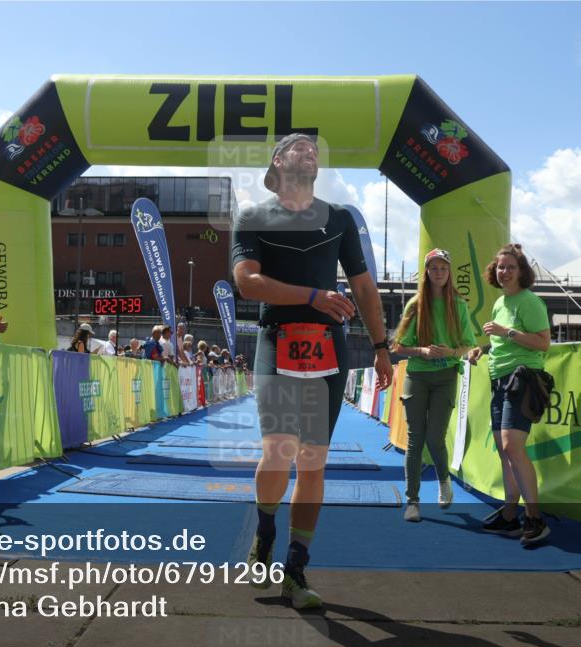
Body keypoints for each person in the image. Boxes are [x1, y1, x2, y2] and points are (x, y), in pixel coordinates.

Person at [232, 133, 392, 609]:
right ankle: (263, 532)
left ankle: (296, 569)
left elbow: (364, 287)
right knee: (279, 450)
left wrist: (381, 346)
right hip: (277, 339)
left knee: (313, 462)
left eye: (317, 150)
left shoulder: (339, 217)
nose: (311, 153)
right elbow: (246, 282)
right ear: (278, 161)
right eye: (300, 148)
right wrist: (310, 297)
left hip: (328, 348)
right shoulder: (253, 216)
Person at [468, 243, 552, 546]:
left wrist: (507, 333)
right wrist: (484, 348)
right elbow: (502, 341)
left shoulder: (529, 301)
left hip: (523, 380)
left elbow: (543, 343)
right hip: (499, 380)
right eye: (500, 267)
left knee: (512, 446)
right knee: (506, 451)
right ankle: (509, 514)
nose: (504, 272)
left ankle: (534, 518)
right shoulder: (501, 302)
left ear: (522, 272)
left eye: (510, 267)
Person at [391, 249, 477, 522]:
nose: (439, 273)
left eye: (443, 268)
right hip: (417, 376)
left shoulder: (459, 305)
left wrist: (451, 353)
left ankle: (444, 481)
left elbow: (468, 344)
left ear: (449, 272)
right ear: (426, 272)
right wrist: (422, 351)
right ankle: (412, 501)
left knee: (435, 437)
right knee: (415, 439)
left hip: (446, 377)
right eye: (434, 268)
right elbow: (398, 346)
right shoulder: (415, 305)